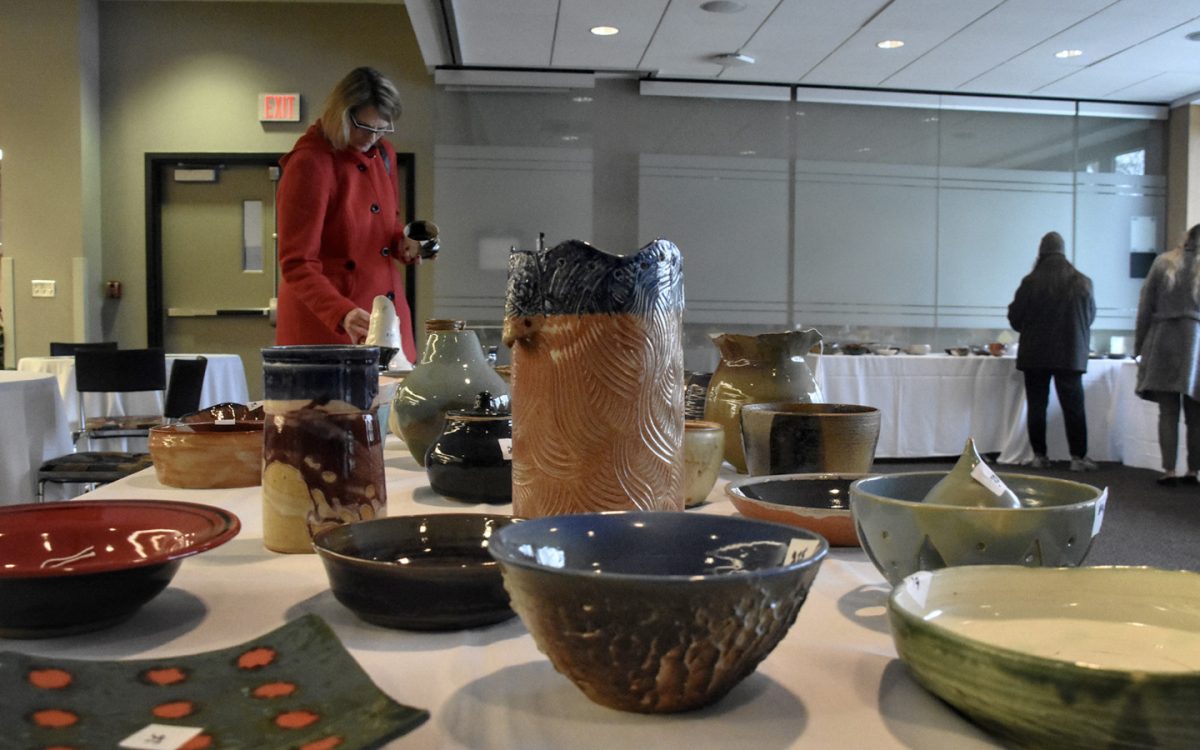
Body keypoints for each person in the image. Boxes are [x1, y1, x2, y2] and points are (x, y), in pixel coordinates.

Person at [275, 66, 422, 364]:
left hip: (385, 318)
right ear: (341, 114)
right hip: (330, 322)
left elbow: (385, 226)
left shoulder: (383, 153)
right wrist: (340, 312)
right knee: (334, 409)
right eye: (365, 127)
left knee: (394, 407)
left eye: (382, 128)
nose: (373, 137)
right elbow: (297, 262)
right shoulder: (310, 163)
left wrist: (403, 243)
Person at [1007, 231, 1098, 471]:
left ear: (1041, 252)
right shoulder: (1082, 282)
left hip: (1035, 354)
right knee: (1074, 407)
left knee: (1037, 405)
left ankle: (1040, 456)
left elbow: (1015, 319)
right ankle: (1078, 458)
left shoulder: (1030, 282)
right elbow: (1089, 318)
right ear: (1063, 251)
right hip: (1070, 354)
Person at [1134, 224, 1200, 486]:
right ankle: (1193, 471)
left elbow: (1145, 306)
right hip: (1197, 346)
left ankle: (1169, 470)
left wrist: (1138, 346)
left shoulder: (1163, 263)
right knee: (1196, 416)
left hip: (1162, 342)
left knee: (1168, 412)